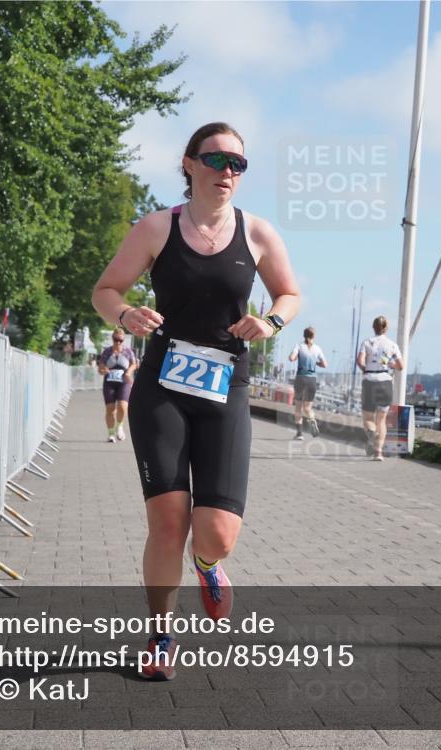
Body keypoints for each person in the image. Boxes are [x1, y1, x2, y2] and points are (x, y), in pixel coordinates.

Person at [91, 122, 300, 680]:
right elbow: (105, 290)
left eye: (238, 164)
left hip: (224, 388)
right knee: (168, 521)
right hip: (161, 386)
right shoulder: (157, 227)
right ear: (189, 164)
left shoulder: (257, 234)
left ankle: (207, 565)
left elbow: (290, 292)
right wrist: (125, 315)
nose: (227, 172)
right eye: (216, 160)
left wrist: (272, 319)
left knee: (216, 534)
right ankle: (160, 637)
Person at [356, 316, 404, 461]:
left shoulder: (367, 342)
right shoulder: (392, 345)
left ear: (373, 327)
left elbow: (360, 361)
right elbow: (400, 366)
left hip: (370, 381)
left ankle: (372, 434)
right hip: (385, 382)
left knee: (368, 418)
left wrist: (366, 369)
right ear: (386, 328)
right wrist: (390, 365)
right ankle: (378, 453)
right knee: (381, 420)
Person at [97, 328, 139, 442]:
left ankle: (119, 426)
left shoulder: (128, 351)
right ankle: (111, 434)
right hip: (109, 382)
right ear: (112, 339)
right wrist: (103, 369)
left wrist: (129, 372)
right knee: (110, 409)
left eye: (120, 340)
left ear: (123, 340)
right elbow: (100, 368)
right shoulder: (107, 351)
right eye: (116, 339)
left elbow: (134, 364)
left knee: (122, 406)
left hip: (123, 382)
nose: (118, 342)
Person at [288, 327, 327, 440]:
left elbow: (291, 358)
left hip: (301, 378)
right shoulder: (317, 349)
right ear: (313, 336)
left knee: (298, 407)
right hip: (312, 380)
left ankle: (299, 434)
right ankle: (312, 418)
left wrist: (295, 356)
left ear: (304, 335)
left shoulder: (299, 346)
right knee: (308, 408)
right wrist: (316, 363)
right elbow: (325, 364)